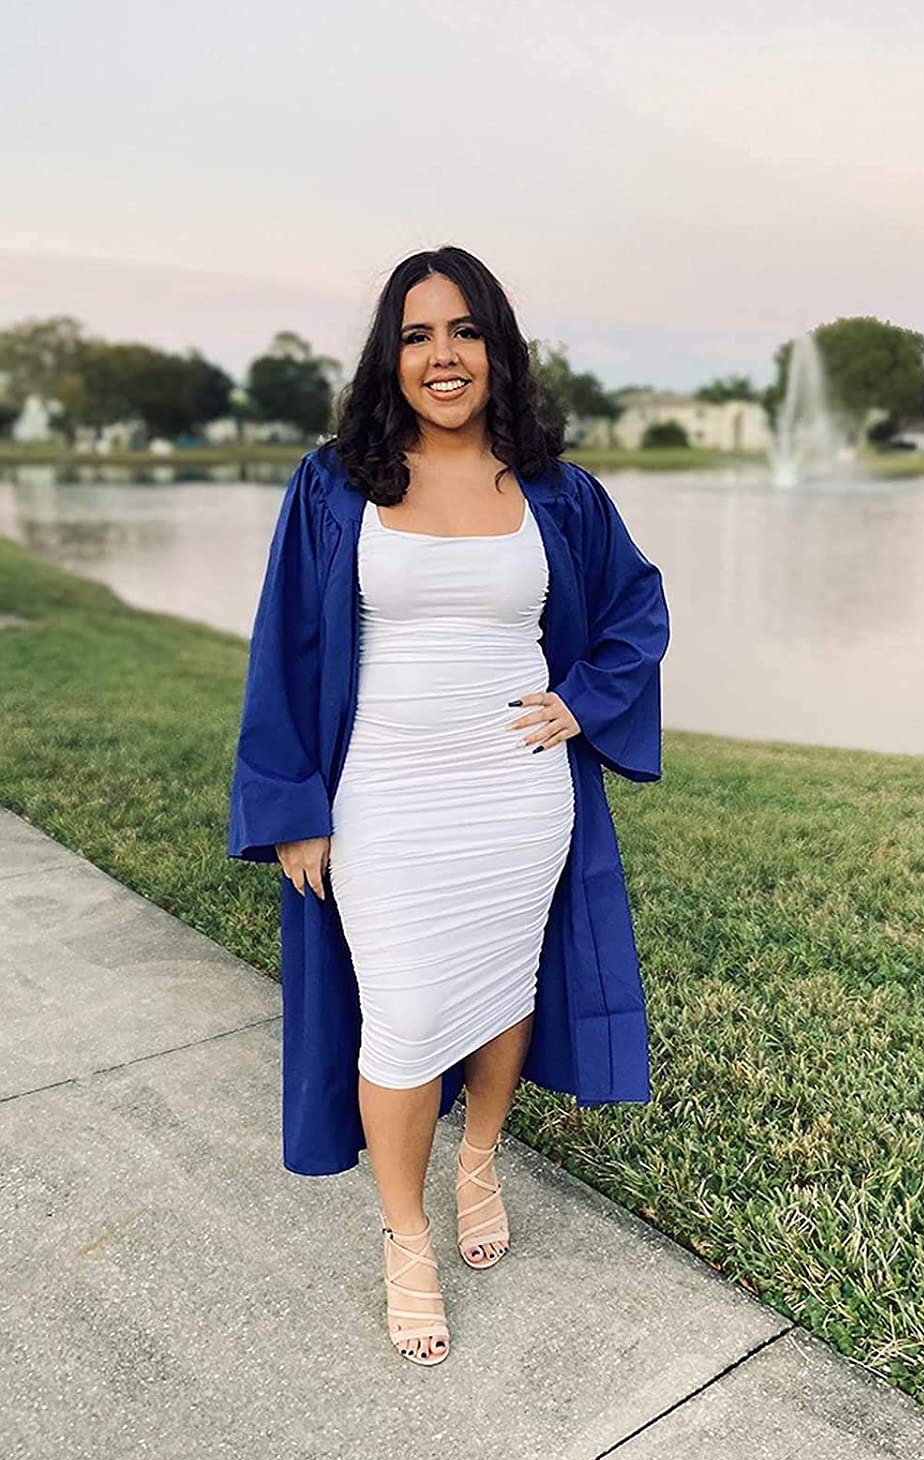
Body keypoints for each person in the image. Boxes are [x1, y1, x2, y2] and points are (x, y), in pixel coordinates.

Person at [226, 246, 670, 1367]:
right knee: (407, 1016)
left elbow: (637, 608)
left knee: (504, 987)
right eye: (418, 334)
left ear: (498, 348)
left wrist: (582, 702)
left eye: (465, 331)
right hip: (384, 792)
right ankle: (405, 1235)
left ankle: (477, 1162)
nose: (443, 355)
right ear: (391, 354)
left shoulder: (556, 491)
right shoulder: (336, 484)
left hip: (516, 796)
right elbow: (284, 646)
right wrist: (293, 804)